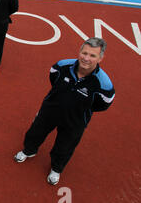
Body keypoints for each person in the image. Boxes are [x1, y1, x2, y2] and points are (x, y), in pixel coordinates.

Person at [14, 38, 115, 185]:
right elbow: (53, 78)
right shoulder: (62, 66)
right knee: (35, 132)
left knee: (65, 146)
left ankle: (56, 168)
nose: (86, 58)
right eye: (84, 53)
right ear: (79, 52)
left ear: (100, 58)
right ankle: (29, 150)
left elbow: (102, 105)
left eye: (92, 56)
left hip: (75, 121)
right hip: (50, 110)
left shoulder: (104, 84)